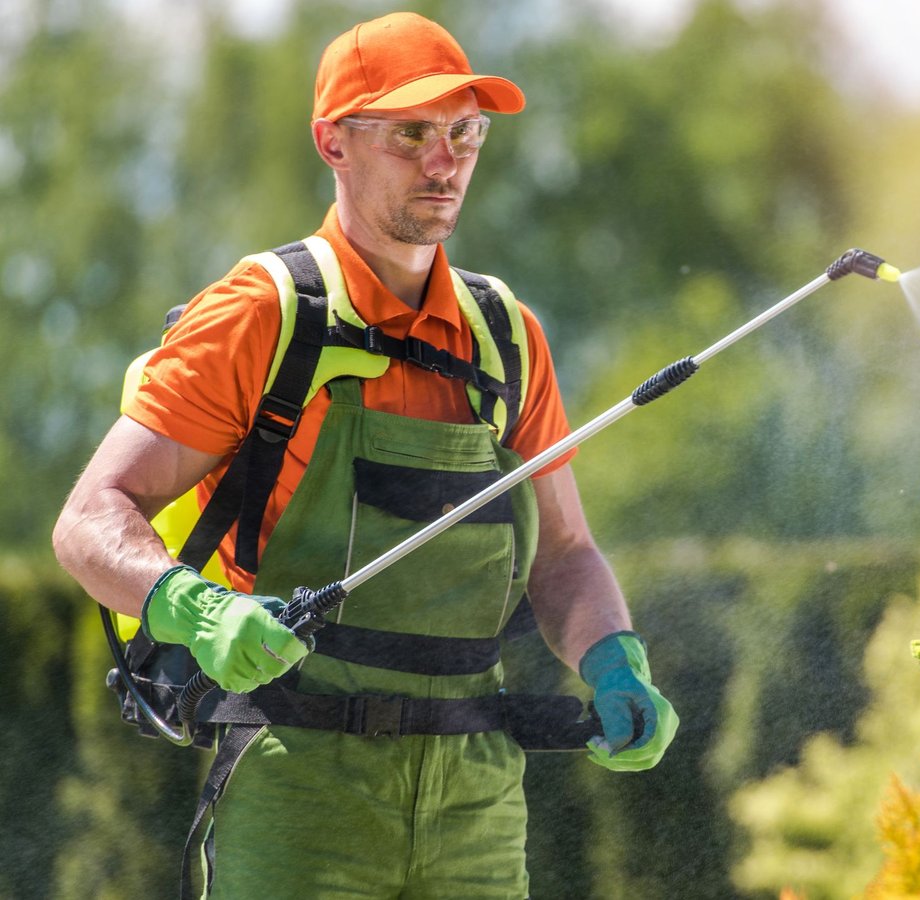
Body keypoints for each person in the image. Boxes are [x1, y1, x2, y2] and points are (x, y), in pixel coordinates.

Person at [52, 11, 677, 898]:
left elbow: (567, 552)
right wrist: (198, 613)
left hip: (478, 799)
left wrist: (615, 658)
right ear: (332, 142)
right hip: (298, 783)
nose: (445, 159)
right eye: (411, 132)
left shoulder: (508, 336)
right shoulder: (265, 314)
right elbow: (88, 518)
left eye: (465, 132)